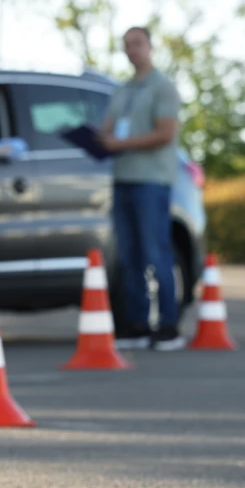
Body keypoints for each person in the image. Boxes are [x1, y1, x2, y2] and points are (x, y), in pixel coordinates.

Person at [99, 26, 185, 351]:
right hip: (123, 180)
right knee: (129, 255)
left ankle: (168, 325)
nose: (131, 50)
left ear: (150, 46)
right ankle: (136, 324)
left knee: (155, 252)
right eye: (126, 45)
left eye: (137, 44)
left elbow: (164, 133)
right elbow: (108, 130)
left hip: (151, 182)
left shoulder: (163, 88)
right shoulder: (121, 90)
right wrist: (98, 140)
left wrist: (122, 143)